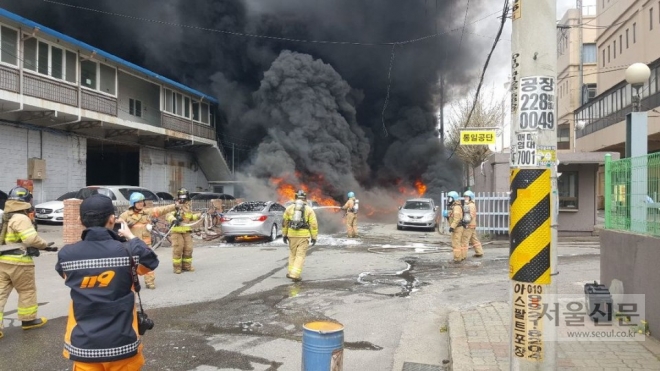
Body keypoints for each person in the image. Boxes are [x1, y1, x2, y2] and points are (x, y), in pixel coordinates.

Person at [56, 194, 159, 370]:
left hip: (84, 346)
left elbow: (66, 275)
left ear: (81, 221)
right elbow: (150, 262)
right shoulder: (129, 251)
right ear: (112, 219)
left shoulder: (67, 254)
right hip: (123, 343)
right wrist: (131, 237)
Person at [0, 187, 53, 339]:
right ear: (25, 201)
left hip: (3, 261)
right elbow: (30, 240)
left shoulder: (6, 216)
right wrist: (45, 245)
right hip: (20, 262)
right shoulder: (21, 218)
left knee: (1, 293)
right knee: (27, 291)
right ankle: (28, 320)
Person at [119, 192, 177, 289]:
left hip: (145, 243)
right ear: (133, 203)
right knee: (131, 265)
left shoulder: (147, 212)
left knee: (147, 263)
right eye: (139, 202)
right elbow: (118, 228)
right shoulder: (125, 215)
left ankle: (150, 282)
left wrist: (175, 205)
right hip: (131, 244)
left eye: (142, 201)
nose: (141, 204)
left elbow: (162, 209)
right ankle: (130, 284)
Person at [281, 190, 318, 282]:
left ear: (296, 197)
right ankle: (295, 274)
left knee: (292, 254)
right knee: (300, 255)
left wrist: (284, 235)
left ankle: (290, 272)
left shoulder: (289, 208)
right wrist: (314, 237)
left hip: (291, 235)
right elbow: (313, 225)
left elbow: (284, 223)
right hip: (303, 236)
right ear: (305, 198)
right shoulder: (309, 209)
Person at [165, 188, 201, 274]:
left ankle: (187, 266)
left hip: (186, 231)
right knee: (178, 249)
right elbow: (168, 215)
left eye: (184, 197)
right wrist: (173, 219)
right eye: (181, 197)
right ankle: (177, 267)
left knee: (188, 248)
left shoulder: (187, 207)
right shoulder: (175, 206)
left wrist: (198, 216)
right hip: (176, 231)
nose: (182, 199)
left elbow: (190, 217)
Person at [461, 190, 483, 259]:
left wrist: (465, 222)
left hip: (469, 225)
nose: (465, 198)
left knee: (464, 240)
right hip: (472, 225)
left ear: (470, 197)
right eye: (464, 197)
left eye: (467, 197)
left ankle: (463, 255)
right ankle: (479, 252)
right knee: (474, 239)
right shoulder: (471, 204)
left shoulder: (470, 205)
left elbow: (470, 215)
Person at [446, 191, 464, 263]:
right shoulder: (454, 206)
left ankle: (457, 258)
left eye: (450, 198)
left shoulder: (456, 207)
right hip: (457, 227)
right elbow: (452, 217)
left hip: (457, 228)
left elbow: (456, 219)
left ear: (453, 198)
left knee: (456, 244)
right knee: (457, 243)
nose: (448, 200)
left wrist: (452, 227)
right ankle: (460, 256)